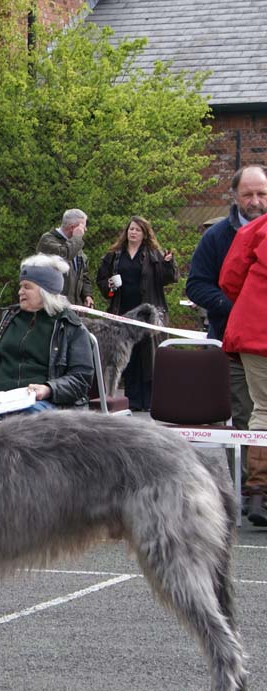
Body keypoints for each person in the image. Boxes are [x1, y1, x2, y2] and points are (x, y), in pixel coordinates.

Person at [186, 165, 267, 488]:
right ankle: (250, 486)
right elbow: (197, 285)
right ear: (235, 195)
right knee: (245, 413)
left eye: (261, 193)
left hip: (252, 332)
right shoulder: (217, 236)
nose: (255, 200)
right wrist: (240, 310)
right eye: (248, 194)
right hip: (232, 341)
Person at [0, 254, 94, 411]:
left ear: (46, 291)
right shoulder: (9, 318)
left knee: (28, 424)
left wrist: (48, 389)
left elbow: (81, 379)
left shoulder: (70, 326)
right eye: (20, 286)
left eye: (27, 287)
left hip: (40, 404)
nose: (20, 292)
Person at [96, 215, 178, 411]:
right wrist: (109, 286)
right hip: (121, 313)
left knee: (148, 356)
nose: (133, 232)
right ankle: (130, 400)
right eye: (131, 229)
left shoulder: (154, 254)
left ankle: (148, 401)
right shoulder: (114, 256)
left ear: (145, 234)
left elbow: (168, 279)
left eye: (137, 230)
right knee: (124, 355)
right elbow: (103, 284)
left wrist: (168, 264)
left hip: (146, 314)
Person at [220, 213, 267, 527]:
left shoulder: (258, 227)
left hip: (254, 324)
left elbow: (229, 279)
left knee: (263, 408)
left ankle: (259, 492)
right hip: (255, 325)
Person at [35, 209, 94, 307]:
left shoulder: (74, 245)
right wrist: (77, 238)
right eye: (83, 226)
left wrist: (87, 295)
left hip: (74, 307)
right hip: (54, 306)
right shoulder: (47, 240)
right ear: (72, 227)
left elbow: (83, 275)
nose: (86, 230)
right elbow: (65, 255)